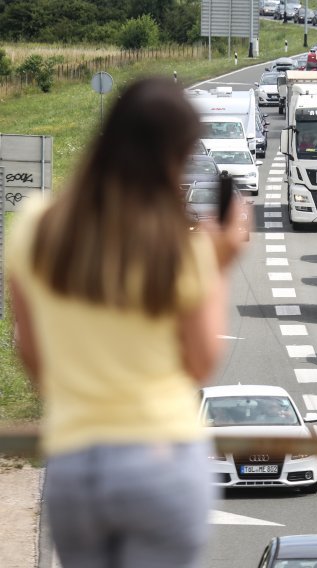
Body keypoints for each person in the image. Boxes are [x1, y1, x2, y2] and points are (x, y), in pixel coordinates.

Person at [8, 77, 248, 568]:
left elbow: (31, 356)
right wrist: (219, 265)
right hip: (161, 456)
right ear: (173, 158)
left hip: (76, 461)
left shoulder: (36, 226)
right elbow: (201, 361)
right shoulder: (180, 248)